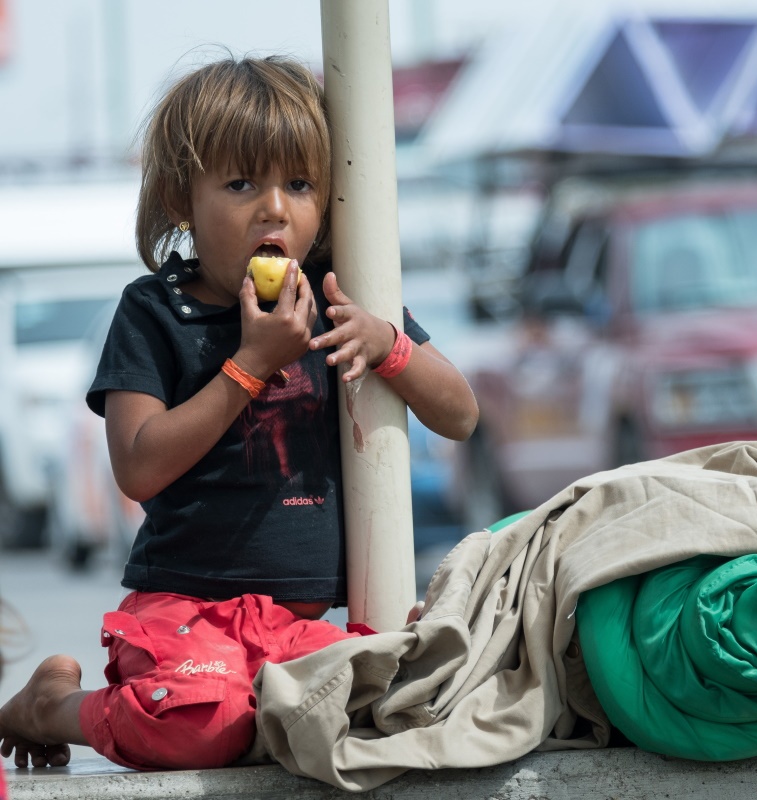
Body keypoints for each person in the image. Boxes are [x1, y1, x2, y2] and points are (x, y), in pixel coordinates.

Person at [0, 54, 478, 772]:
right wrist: (249, 365)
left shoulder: (337, 296)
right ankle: (51, 707)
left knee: (383, 706)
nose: (275, 208)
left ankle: (244, 706)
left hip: (298, 628)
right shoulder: (157, 312)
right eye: (241, 183)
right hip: (183, 614)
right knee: (199, 724)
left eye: (299, 183)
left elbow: (462, 414)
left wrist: (387, 345)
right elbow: (138, 466)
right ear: (178, 201)